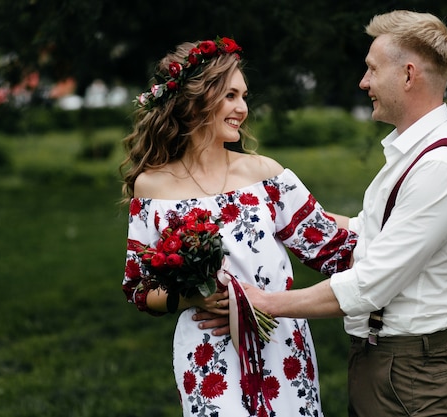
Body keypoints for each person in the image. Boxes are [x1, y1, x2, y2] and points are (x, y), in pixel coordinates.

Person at [241, 10, 447, 417]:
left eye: (372, 69)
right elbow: (368, 230)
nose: (364, 82)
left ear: (408, 75)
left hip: (407, 374)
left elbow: (370, 285)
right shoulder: (413, 155)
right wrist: (275, 210)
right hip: (388, 364)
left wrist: (266, 303)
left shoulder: (442, 168)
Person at [120, 37, 358, 416]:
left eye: (244, 96)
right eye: (230, 96)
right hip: (206, 352)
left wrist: (400, 226)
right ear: (194, 99)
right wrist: (193, 298)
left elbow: (329, 242)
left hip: (280, 342)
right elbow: (138, 287)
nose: (243, 108)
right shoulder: (153, 187)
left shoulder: (265, 174)